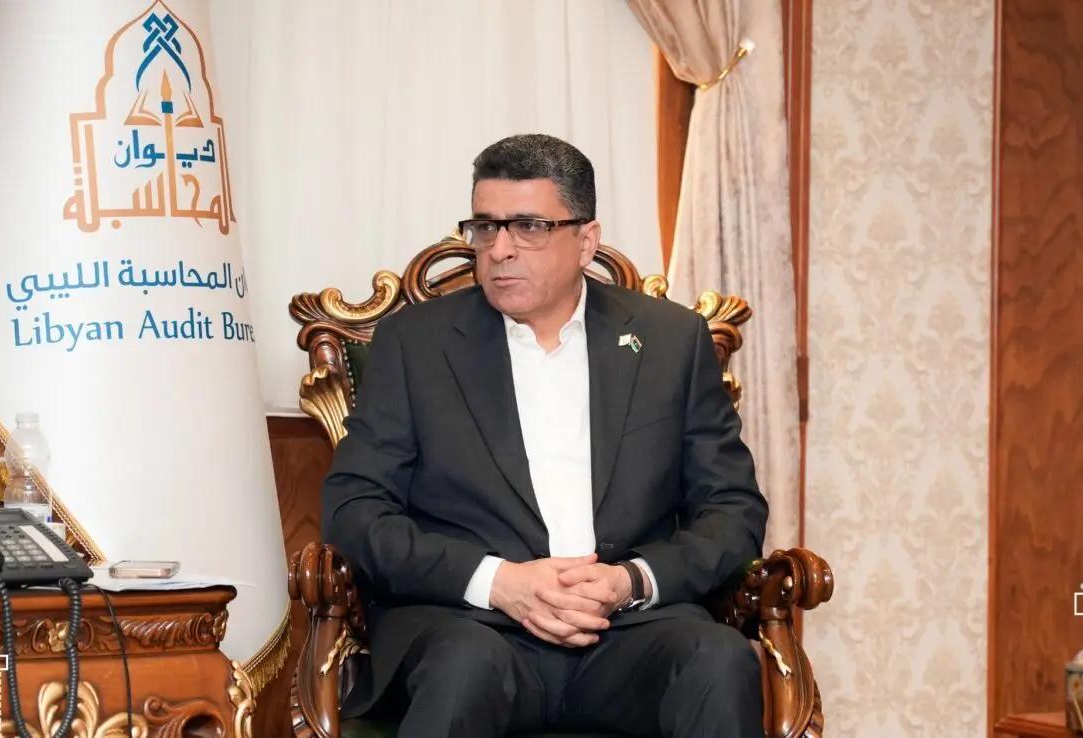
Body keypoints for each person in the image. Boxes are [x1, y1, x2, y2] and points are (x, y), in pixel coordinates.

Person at [323, 133, 768, 738]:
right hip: (471, 626)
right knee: (463, 666)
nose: (500, 249)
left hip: (630, 630)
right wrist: (497, 581)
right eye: (485, 227)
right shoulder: (415, 344)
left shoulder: (670, 340)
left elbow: (733, 508)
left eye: (529, 227)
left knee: (717, 660)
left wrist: (630, 580)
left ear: (586, 241)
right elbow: (354, 510)